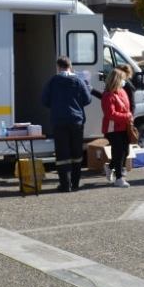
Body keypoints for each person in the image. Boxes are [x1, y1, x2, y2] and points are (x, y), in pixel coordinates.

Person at [40, 56, 92, 192]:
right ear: (70, 66)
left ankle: (65, 184)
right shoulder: (78, 81)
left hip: (59, 121)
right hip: (76, 121)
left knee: (62, 154)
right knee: (76, 153)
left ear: (59, 67)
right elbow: (87, 99)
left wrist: (57, 106)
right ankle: (75, 183)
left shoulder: (53, 81)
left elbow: (44, 100)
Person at [101, 68, 133, 188]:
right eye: (122, 79)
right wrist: (127, 116)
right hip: (112, 129)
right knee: (119, 152)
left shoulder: (122, 92)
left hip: (123, 127)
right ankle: (119, 178)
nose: (124, 81)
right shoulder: (107, 95)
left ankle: (109, 167)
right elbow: (111, 115)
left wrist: (129, 117)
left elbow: (127, 108)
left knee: (124, 151)